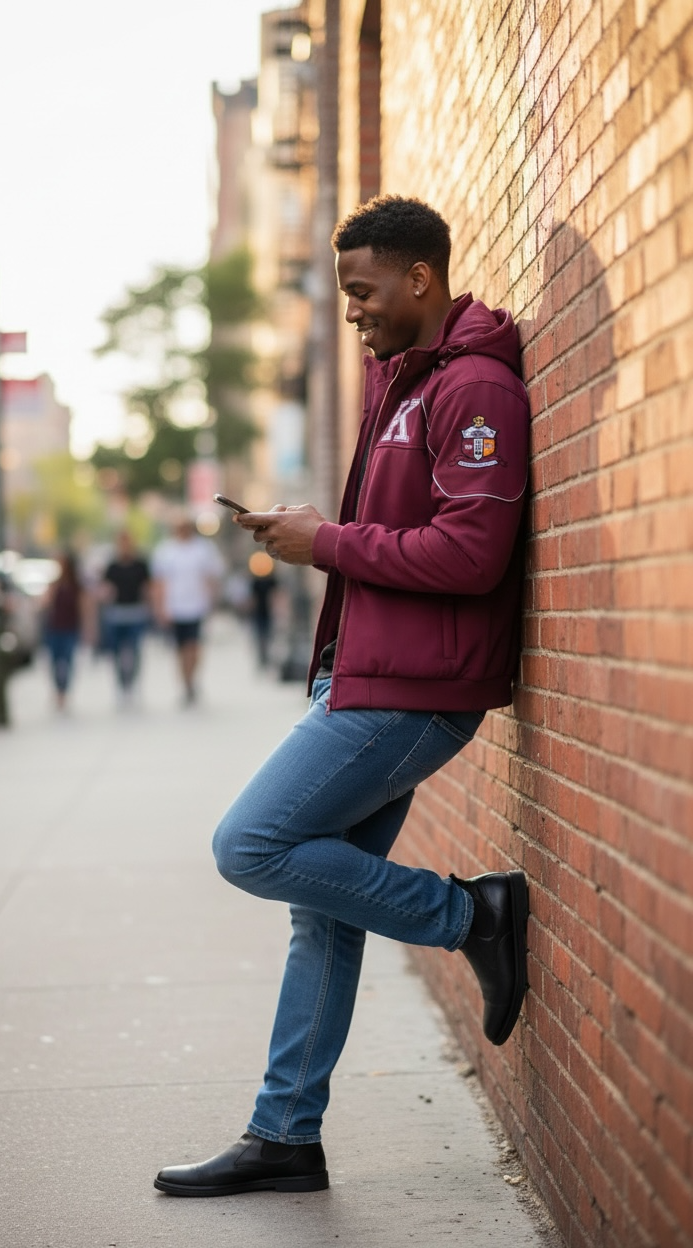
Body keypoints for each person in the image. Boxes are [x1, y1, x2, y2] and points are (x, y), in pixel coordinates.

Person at [154, 195, 531, 1197]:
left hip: (412, 689)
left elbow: (472, 551)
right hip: (367, 672)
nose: (353, 310)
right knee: (319, 913)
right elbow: (395, 538)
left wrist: (321, 542)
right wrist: (315, 533)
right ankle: (285, 1135)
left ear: (419, 278)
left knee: (254, 847)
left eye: (364, 291)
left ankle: (471, 917)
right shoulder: (400, 381)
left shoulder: (474, 388)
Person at [150, 514, 224, 705]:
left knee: (194, 646)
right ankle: (185, 682)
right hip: (174, 607)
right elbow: (159, 582)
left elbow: (211, 577)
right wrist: (159, 607)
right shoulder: (166, 551)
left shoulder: (203, 549)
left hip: (197, 605)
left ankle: (192, 679)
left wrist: (211, 602)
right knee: (180, 648)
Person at [100, 531, 151, 702]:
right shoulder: (112, 567)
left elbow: (147, 588)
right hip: (116, 613)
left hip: (136, 612)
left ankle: (132, 682)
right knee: (116, 652)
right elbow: (105, 589)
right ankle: (121, 683)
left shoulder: (140, 565)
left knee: (134, 651)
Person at [42, 551, 86, 710]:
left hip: (70, 628)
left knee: (67, 660)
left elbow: (83, 607)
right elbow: (45, 602)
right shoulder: (55, 583)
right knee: (55, 661)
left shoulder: (77, 585)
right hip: (54, 628)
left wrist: (88, 629)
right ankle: (58, 690)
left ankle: (65, 690)